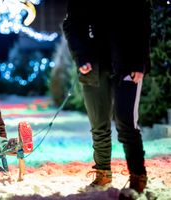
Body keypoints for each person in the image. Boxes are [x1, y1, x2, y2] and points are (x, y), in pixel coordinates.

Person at [62, 0, 151, 194]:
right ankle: (103, 173)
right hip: (93, 65)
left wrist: (139, 62)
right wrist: (81, 57)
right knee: (98, 123)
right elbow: (72, 25)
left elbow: (142, 23)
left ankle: (138, 176)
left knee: (126, 122)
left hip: (127, 62)